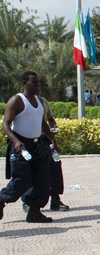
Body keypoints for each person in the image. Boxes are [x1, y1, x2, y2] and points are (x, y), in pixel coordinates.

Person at [1, 71, 55, 223]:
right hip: (21, 145)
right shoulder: (17, 100)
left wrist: (53, 141)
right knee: (21, 181)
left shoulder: (39, 101)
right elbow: (5, 124)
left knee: (43, 181)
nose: (38, 86)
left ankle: (34, 212)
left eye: (39, 83)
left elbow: (43, 124)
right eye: (34, 83)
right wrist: (16, 141)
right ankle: (1, 199)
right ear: (25, 83)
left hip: (37, 145)